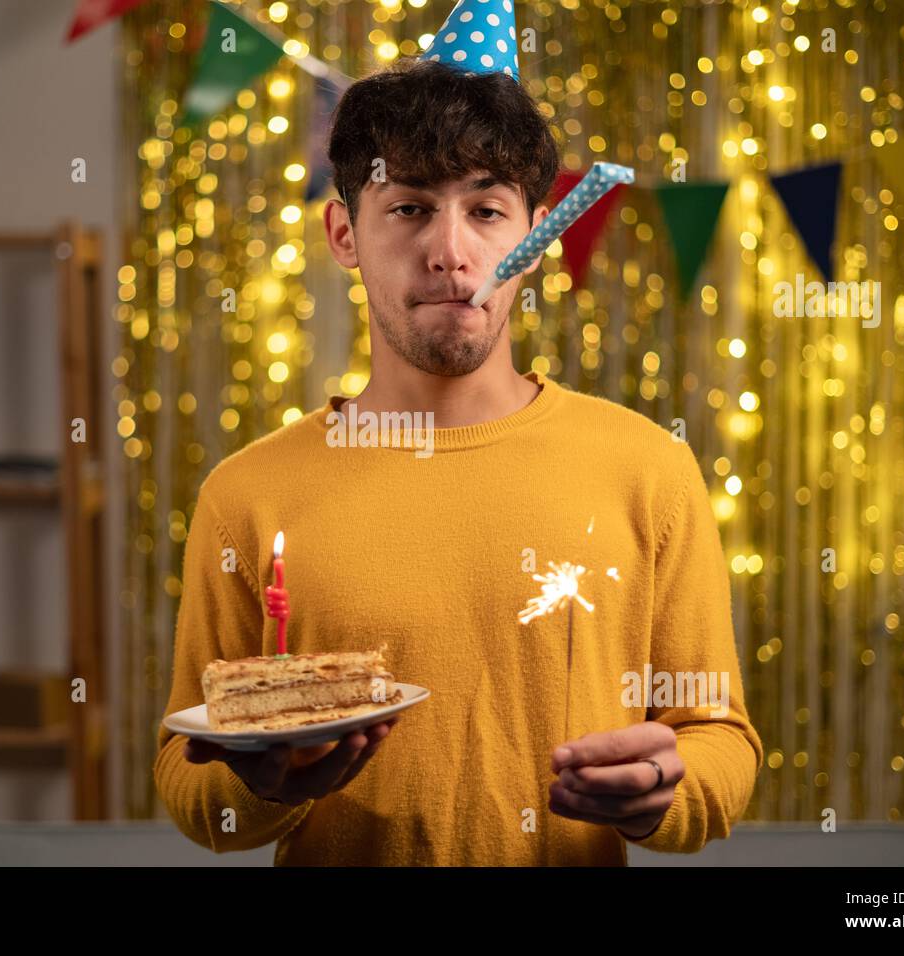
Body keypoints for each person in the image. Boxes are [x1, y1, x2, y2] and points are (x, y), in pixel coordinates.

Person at [154, 0, 762, 866]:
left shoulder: (648, 471)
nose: (450, 251)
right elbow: (186, 776)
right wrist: (261, 786)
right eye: (407, 209)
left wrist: (664, 793)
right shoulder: (245, 496)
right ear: (344, 236)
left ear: (536, 237)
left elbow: (718, 740)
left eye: (486, 210)